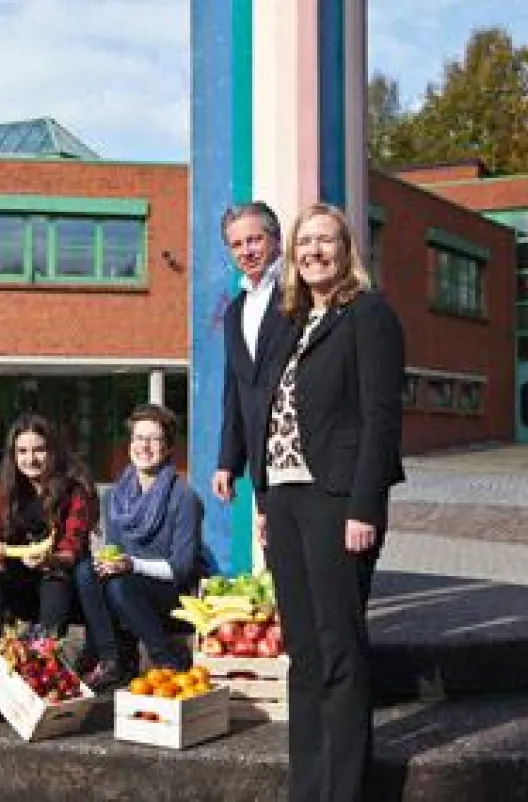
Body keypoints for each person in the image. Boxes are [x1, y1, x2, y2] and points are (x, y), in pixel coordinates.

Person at [259, 202, 405, 802]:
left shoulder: (368, 315)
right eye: (305, 242)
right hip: (287, 496)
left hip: (337, 498)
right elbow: (271, 414)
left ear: (347, 251)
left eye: (327, 241)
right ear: (293, 255)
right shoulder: (294, 320)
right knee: (305, 650)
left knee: (339, 647)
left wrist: (364, 508)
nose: (315, 250)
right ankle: (307, 787)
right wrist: (265, 501)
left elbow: (380, 418)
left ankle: (342, 791)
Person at [75, 404, 202, 690]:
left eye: (154, 439)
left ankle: (165, 658)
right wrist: (107, 564)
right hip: (126, 585)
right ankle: (112, 660)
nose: (144, 446)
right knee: (86, 572)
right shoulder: (114, 498)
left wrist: (131, 564)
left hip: (170, 592)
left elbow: (182, 568)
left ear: (168, 448)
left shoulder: (184, 498)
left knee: (120, 586)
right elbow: (116, 554)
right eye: (138, 438)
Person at [212, 201, 296, 551]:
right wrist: (228, 462)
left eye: (254, 240)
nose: (246, 251)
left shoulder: (299, 292)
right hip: (266, 462)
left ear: (275, 239)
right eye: (237, 244)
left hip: (304, 452)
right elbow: (236, 390)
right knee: (280, 567)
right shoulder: (235, 311)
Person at [0, 414, 97, 636]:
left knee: (54, 576)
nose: (30, 459)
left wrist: (51, 558)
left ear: (54, 451)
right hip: (18, 578)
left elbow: (73, 547)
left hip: (61, 582)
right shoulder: (7, 488)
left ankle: (46, 652)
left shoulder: (76, 489)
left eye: (39, 450)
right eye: (22, 452)